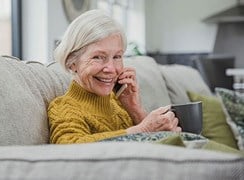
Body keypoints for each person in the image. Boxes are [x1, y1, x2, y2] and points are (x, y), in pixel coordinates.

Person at [48, 9, 181, 144]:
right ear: (72, 63)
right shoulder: (64, 107)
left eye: (117, 56)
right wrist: (143, 129)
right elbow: (68, 147)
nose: (111, 69)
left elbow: (153, 149)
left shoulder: (119, 101)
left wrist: (135, 110)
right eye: (98, 57)